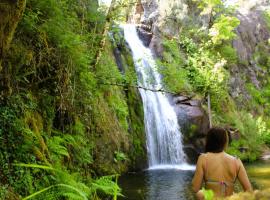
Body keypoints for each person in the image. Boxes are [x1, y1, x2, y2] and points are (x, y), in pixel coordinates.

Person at [192, 127, 252, 199]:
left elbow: (195, 188)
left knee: (199, 193)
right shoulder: (236, 161)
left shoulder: (203, 158)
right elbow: (249, 190)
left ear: (209, 141)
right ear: (225, 142)